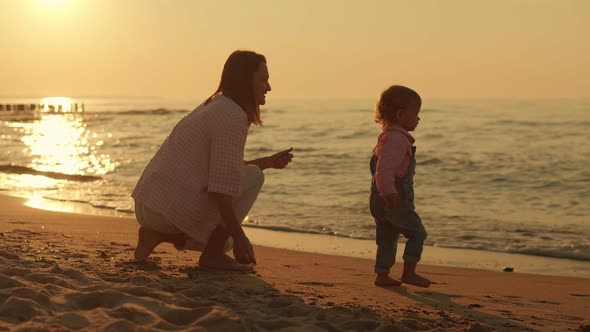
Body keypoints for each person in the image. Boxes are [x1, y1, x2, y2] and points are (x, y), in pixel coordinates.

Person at [131, 50, 293, 271]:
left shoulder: (217, 105)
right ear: (246, 80)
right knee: (251, 184)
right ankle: (213, 256)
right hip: (165, 208)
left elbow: (221, 171)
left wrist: (267, 162)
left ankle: (155, 234)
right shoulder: (231, 115)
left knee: (228, 237)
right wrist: (240, 235)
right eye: (263, 79)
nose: (269, 87)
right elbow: (221, 188)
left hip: (150, 205)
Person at [369, 85, 431, 287]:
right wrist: (389, 192)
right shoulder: (396, 139)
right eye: (416, 114)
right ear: (401, 114)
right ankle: (409, 273)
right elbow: (384, 169)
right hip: (392, 198)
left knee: (387, 236)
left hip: (379, 199)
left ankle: (382, 274)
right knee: (417, 233)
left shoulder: (387, 136)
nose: (418, 119)